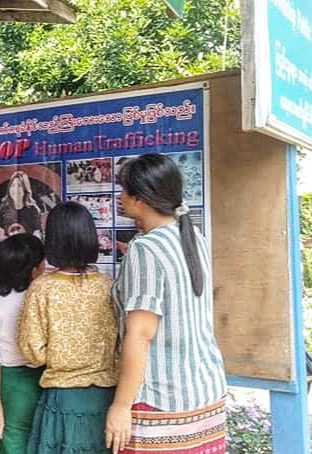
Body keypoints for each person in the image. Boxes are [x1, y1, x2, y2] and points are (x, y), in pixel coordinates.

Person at [105, 154, 226, 454]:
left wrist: (120, 406)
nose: (120, 197)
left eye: (124, 190)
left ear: (139, 199)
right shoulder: (193, 236)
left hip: (162, 398)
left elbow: (140, 333)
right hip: (206, 391)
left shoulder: (146, 249)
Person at [17, 201, 118, 454]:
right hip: (106, 397)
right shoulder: (109, 284)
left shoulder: (43, 287)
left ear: (53, 241)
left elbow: (33, 351)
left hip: (62, 398)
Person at [0, 234, 46, 453]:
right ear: (34, 270)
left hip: (9, 384)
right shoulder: (42, 299)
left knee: (13, 441)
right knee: (47, 439)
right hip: (46, 378)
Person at [0, 171, 42, 241]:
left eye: (19, 186)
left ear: (25, 189)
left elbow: (37, 235)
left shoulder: (33, 209)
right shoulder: (3, 208)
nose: (16, 189)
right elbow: (0, 236)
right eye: (13, 185)